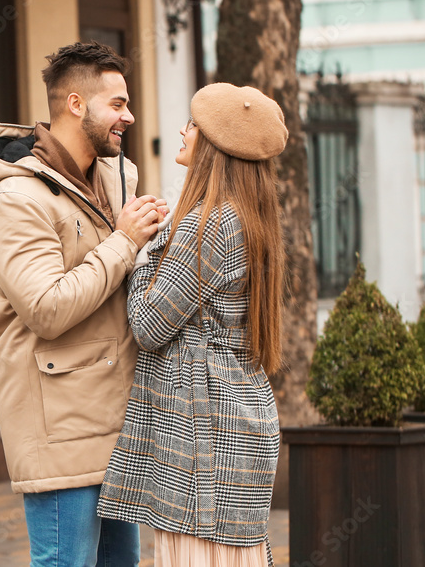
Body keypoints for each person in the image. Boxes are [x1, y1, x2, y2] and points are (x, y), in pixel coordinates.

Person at [0, 41, 167, 567]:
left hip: (118, 422)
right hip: (60, 430)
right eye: (118, 103)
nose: (130, 115)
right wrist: (124, 243)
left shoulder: (116, 180)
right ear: (76, 105)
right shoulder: (17, 200)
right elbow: (46, 309)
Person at [98, 83, 288, 567]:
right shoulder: (247, 216)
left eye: (193, 126)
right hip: (234, 422)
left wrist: (137, 248)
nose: (183, 131)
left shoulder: (209, 225)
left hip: (205, 441)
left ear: (213, 146)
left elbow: (146, 325)